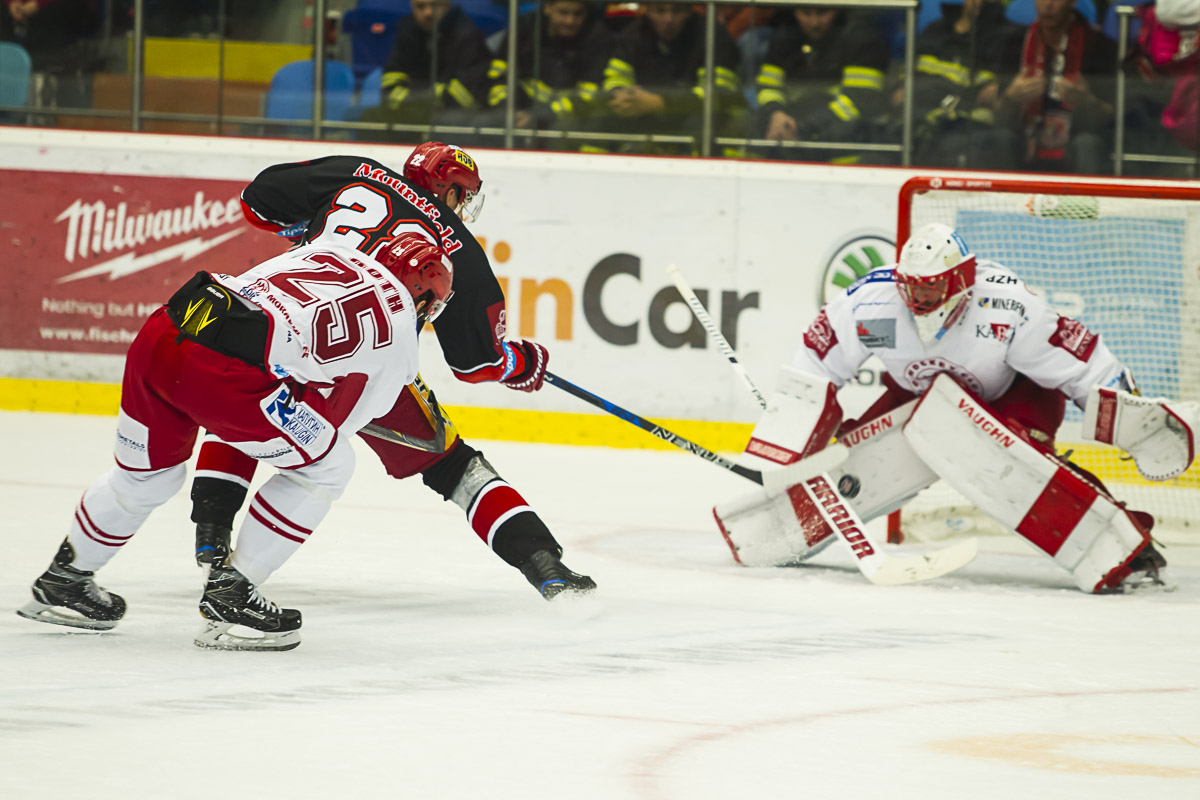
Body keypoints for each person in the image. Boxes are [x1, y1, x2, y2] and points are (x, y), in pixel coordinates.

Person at [192, 142, 596, 602]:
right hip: (368, 364)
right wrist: (521, 363)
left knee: (244, 401)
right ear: (449, 191)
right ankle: (545, 566)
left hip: (282, 328)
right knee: (452, 464)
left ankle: (211, 533)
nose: (463, 208)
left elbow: (256, 201)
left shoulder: (356, 171)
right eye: (463, 196)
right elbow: (476, 365)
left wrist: (311, 230)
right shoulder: (459, 249)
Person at [17, 231, 453, 650]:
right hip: (228, 376)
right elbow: (333, 427)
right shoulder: (402, 336)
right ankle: (233, 592)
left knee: (146, 478)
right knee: (330, 466)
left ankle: (65, 580)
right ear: (423, 297)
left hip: (166, 328)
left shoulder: (331, 249)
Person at [715, 223, 1195, 594]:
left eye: (930, 288)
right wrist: (791, 442)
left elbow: (1080, 364)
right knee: (856, 461)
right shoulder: (871, 304)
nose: (917, 298)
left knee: (1015, 465)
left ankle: (1129, 547)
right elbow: (816, 362)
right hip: (916, 392)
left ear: (961, 280)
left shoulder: (1007, 305)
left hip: (1017, 394)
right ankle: (765, 529)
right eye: (911, 286)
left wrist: (1130, 419)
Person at [599, 3, 746, 156]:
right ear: (648, 11)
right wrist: (621, 95)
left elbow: (721, 94)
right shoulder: (633, 33)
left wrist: (661, 103)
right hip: (644, 112)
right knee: (602, 120)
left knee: (705, 123)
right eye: (660, 11)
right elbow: (614, 78)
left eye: (677, 11)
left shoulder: (712, 34)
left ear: (689, 11)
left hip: (696, 116)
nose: (668, 19)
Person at [996, 0, 1119, 174]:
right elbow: (998, 117)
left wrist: (1087, 102)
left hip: (1075, 144)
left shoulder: (1101, 47)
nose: (1048, 5)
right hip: (1025, 144)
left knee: (1087, 143)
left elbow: (1113, 121)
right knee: (996, 139)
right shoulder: (1015, 43)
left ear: (1072, 2)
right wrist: (1011, 98)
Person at [754, 6, 888, 163]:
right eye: (806, 13)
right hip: (791, 127)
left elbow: (859, 100)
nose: (814, 23)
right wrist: (776, 113)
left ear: (838, 9)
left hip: (847, 139)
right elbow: (768, 86)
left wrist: (802, 126)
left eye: (823, 13)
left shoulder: (862, 39)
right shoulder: (784, 36)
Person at [904, 0, 1025, 168]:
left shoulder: (1009, 37)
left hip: (965, 129)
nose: (980, 2)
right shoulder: (934, 30)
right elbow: (905, 80)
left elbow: (997, 92)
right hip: (917, 121)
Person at [482, 0, 614, 149]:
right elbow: (498, 76)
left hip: (566, 115)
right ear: (547, 8)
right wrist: (507, 108)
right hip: (519, 108)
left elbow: (588, 96)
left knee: (565, 130)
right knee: (484, 123)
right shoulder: (525, 26)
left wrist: (539, 114)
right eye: (563, 12)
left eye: (578, 14)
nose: (570, 21)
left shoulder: (597, 35)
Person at [360, 0, 492, 144]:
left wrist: (414, 97)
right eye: (420, 7)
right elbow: (390, 85)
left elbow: (466, 96)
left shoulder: (466, 34)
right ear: (412, 7)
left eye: (435, 5)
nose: (428, 12)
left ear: (447, 5)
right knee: (371, 116)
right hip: (413, 107)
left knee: (446, 121)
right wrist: (428, 96)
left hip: (450, 112)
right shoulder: (407, 29)